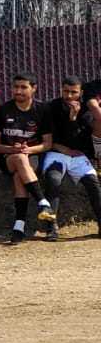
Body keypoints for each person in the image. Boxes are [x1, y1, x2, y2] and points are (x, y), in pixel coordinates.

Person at [0, 73, 55, 243]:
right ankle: (43, 203)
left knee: (20, 175)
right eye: (15, 87)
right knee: (19, 159)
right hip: (8, 157)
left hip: (32, 156)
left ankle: (19, 227)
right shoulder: (3, 110)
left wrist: (28, 149)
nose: (18, 91)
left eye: (23, 87)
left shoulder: (42, 110)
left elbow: (47, 144)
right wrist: (12, 149)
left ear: (34, 89)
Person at [38, 75, 101, 239]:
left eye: (74, 92)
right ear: (61, 90)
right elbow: (46, 136)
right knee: (53, 179)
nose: (69, 96)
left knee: (93, 184)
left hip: (78, 155)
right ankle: (51, 227)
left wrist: (73, 118)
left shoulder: (85, 111)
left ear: (81, 93)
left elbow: (79, 140)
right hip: (56, 153)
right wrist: (62, 148)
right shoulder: (51, 107)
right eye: (66, 91)